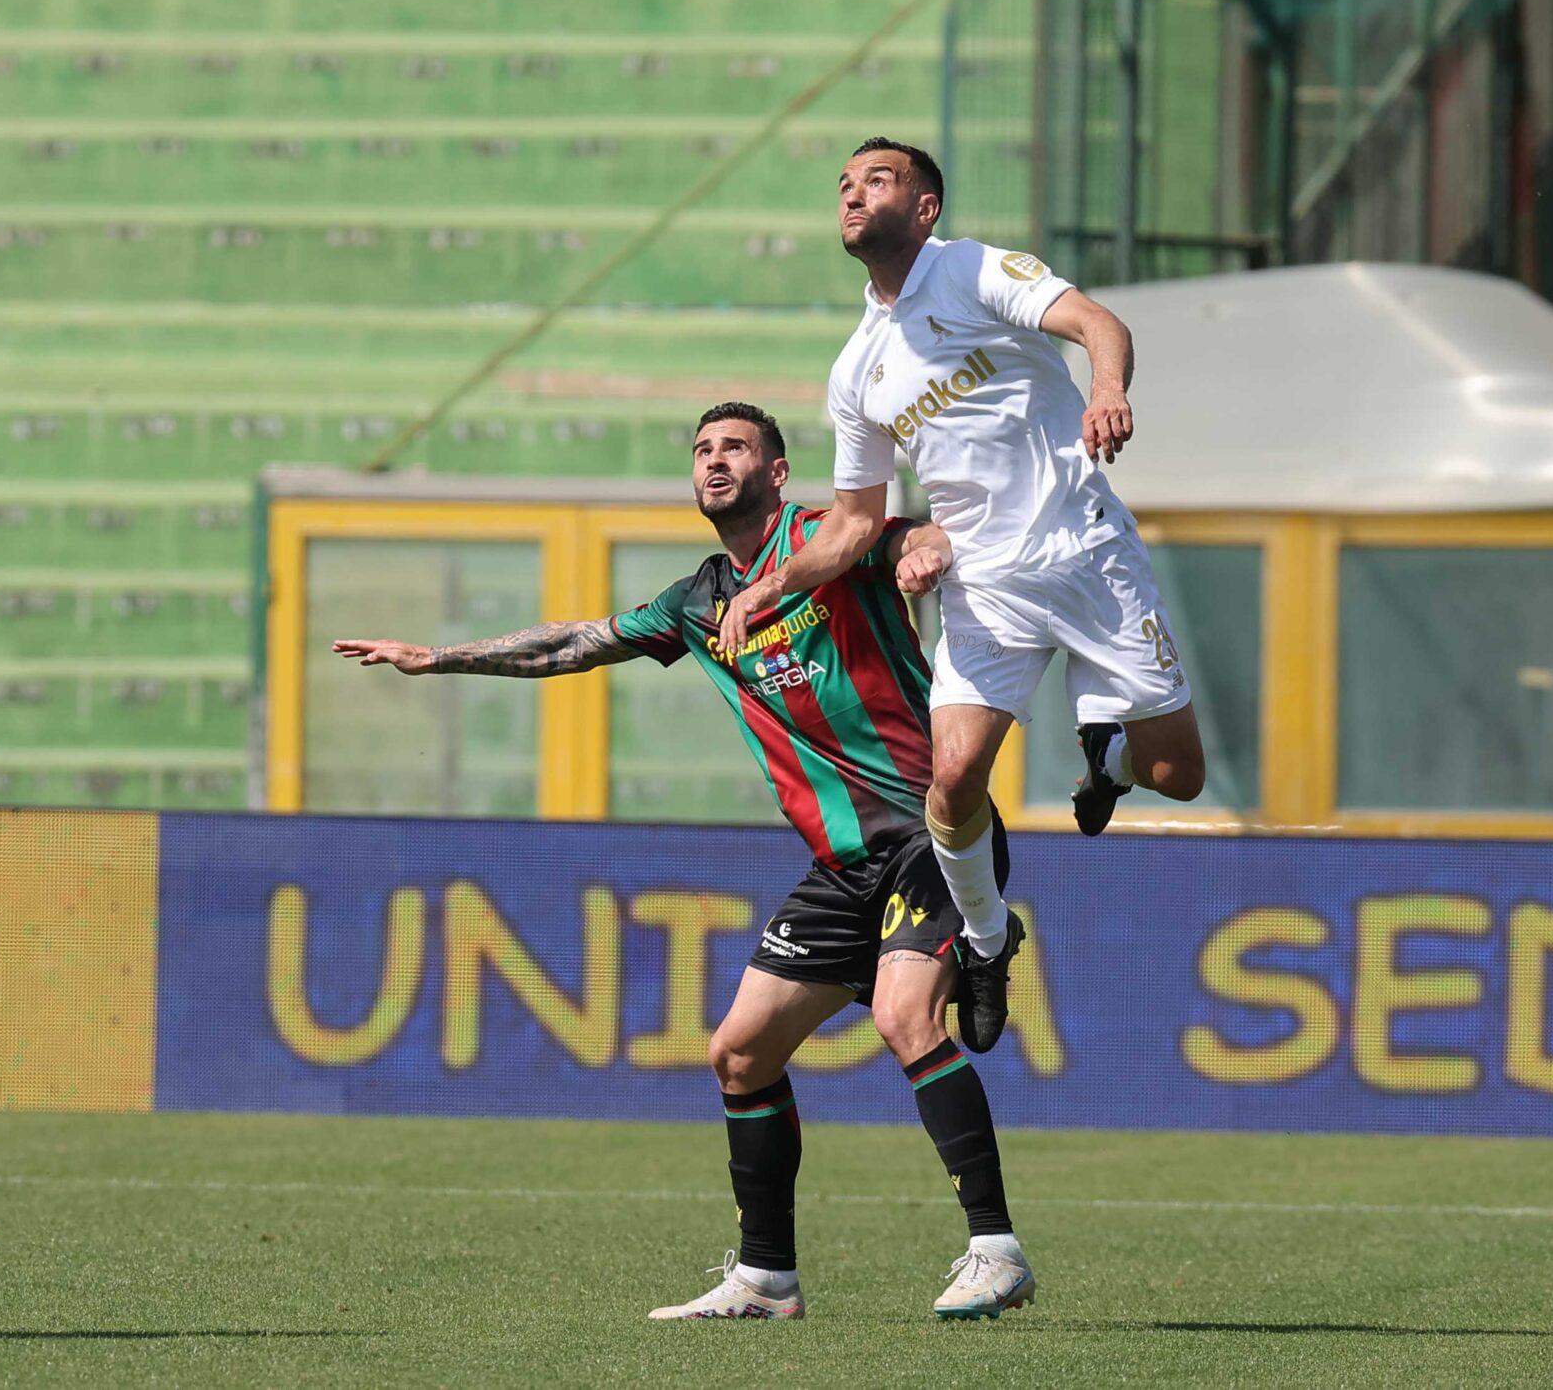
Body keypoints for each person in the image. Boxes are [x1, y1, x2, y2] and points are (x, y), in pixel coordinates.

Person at [334, 402, 1037, 1321]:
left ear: (776, 471)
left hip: (927, 836)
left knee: (906, 1018)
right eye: (702, 449)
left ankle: (996, 1247)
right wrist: (439, 657)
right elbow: (576, 641)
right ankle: (765, 1277)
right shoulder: (698, 602)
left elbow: (915, 531)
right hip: (841, 866)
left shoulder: (831, 535)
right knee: (740, 1054)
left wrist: (929, 551)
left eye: (735, 447)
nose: (714, 460)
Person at [715, 136, 1205, 1052]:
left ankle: (1112, 762)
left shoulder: (974, 272)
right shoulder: (856, 367)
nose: (855, 195)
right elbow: (858, 520)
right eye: (845, 184)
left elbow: (1101, 322)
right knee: (951, 782)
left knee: (1179, 778)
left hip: (1087, 552)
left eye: (878, 180)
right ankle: (986, 941)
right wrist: (771, 583)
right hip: (985, 583)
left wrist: (1105, 388)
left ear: (926, 207)